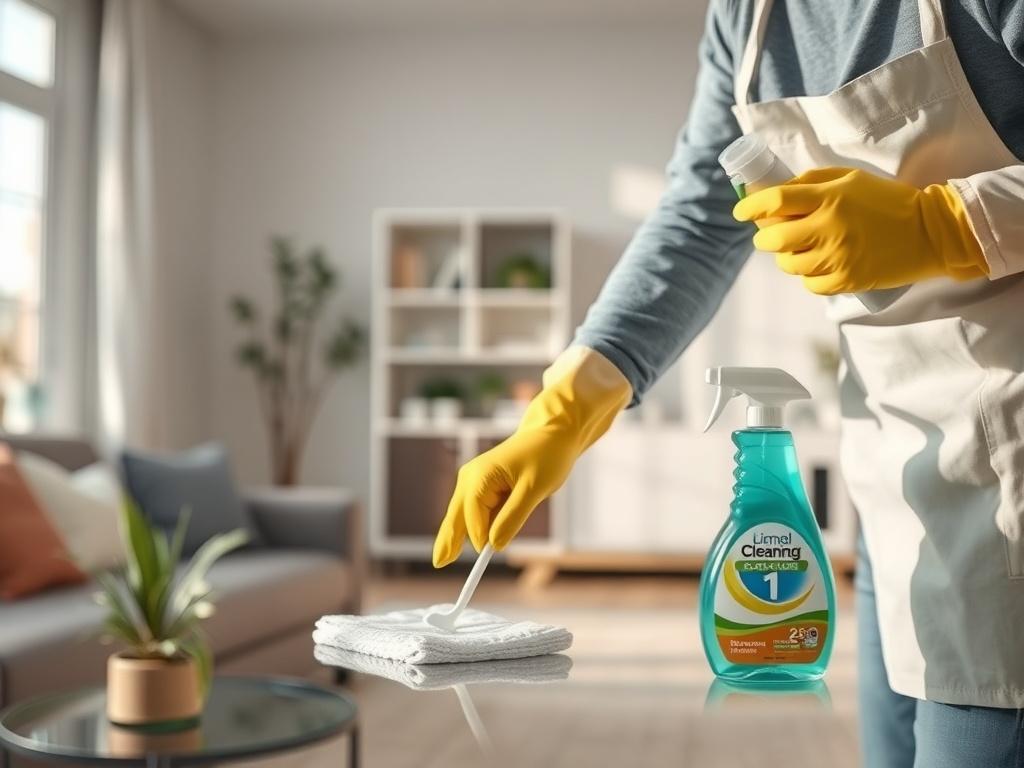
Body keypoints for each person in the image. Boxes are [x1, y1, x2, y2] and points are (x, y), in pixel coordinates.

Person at [432, 0, 1024, 765]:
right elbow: (703, 214)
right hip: (895, 480)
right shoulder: (745, 18)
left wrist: (947, 224)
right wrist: (565, 410)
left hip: (1008, 484)